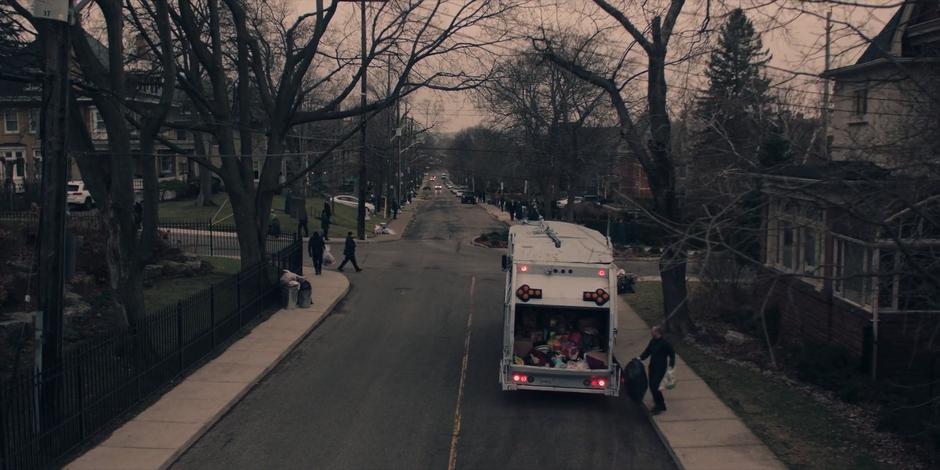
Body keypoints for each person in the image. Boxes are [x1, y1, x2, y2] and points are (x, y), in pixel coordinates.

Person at [636, 325, 676, 415]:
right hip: (652, 366)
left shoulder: (665, 343)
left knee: (655, 385)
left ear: (658, 332)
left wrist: (671, 366)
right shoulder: (653, 341)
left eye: (652, 331)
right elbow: (647, 351)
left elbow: (672, 354)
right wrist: (639, 358)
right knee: (652, 385)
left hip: (660, 367)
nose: (651, 332)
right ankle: (657, 400)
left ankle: (661, 405)